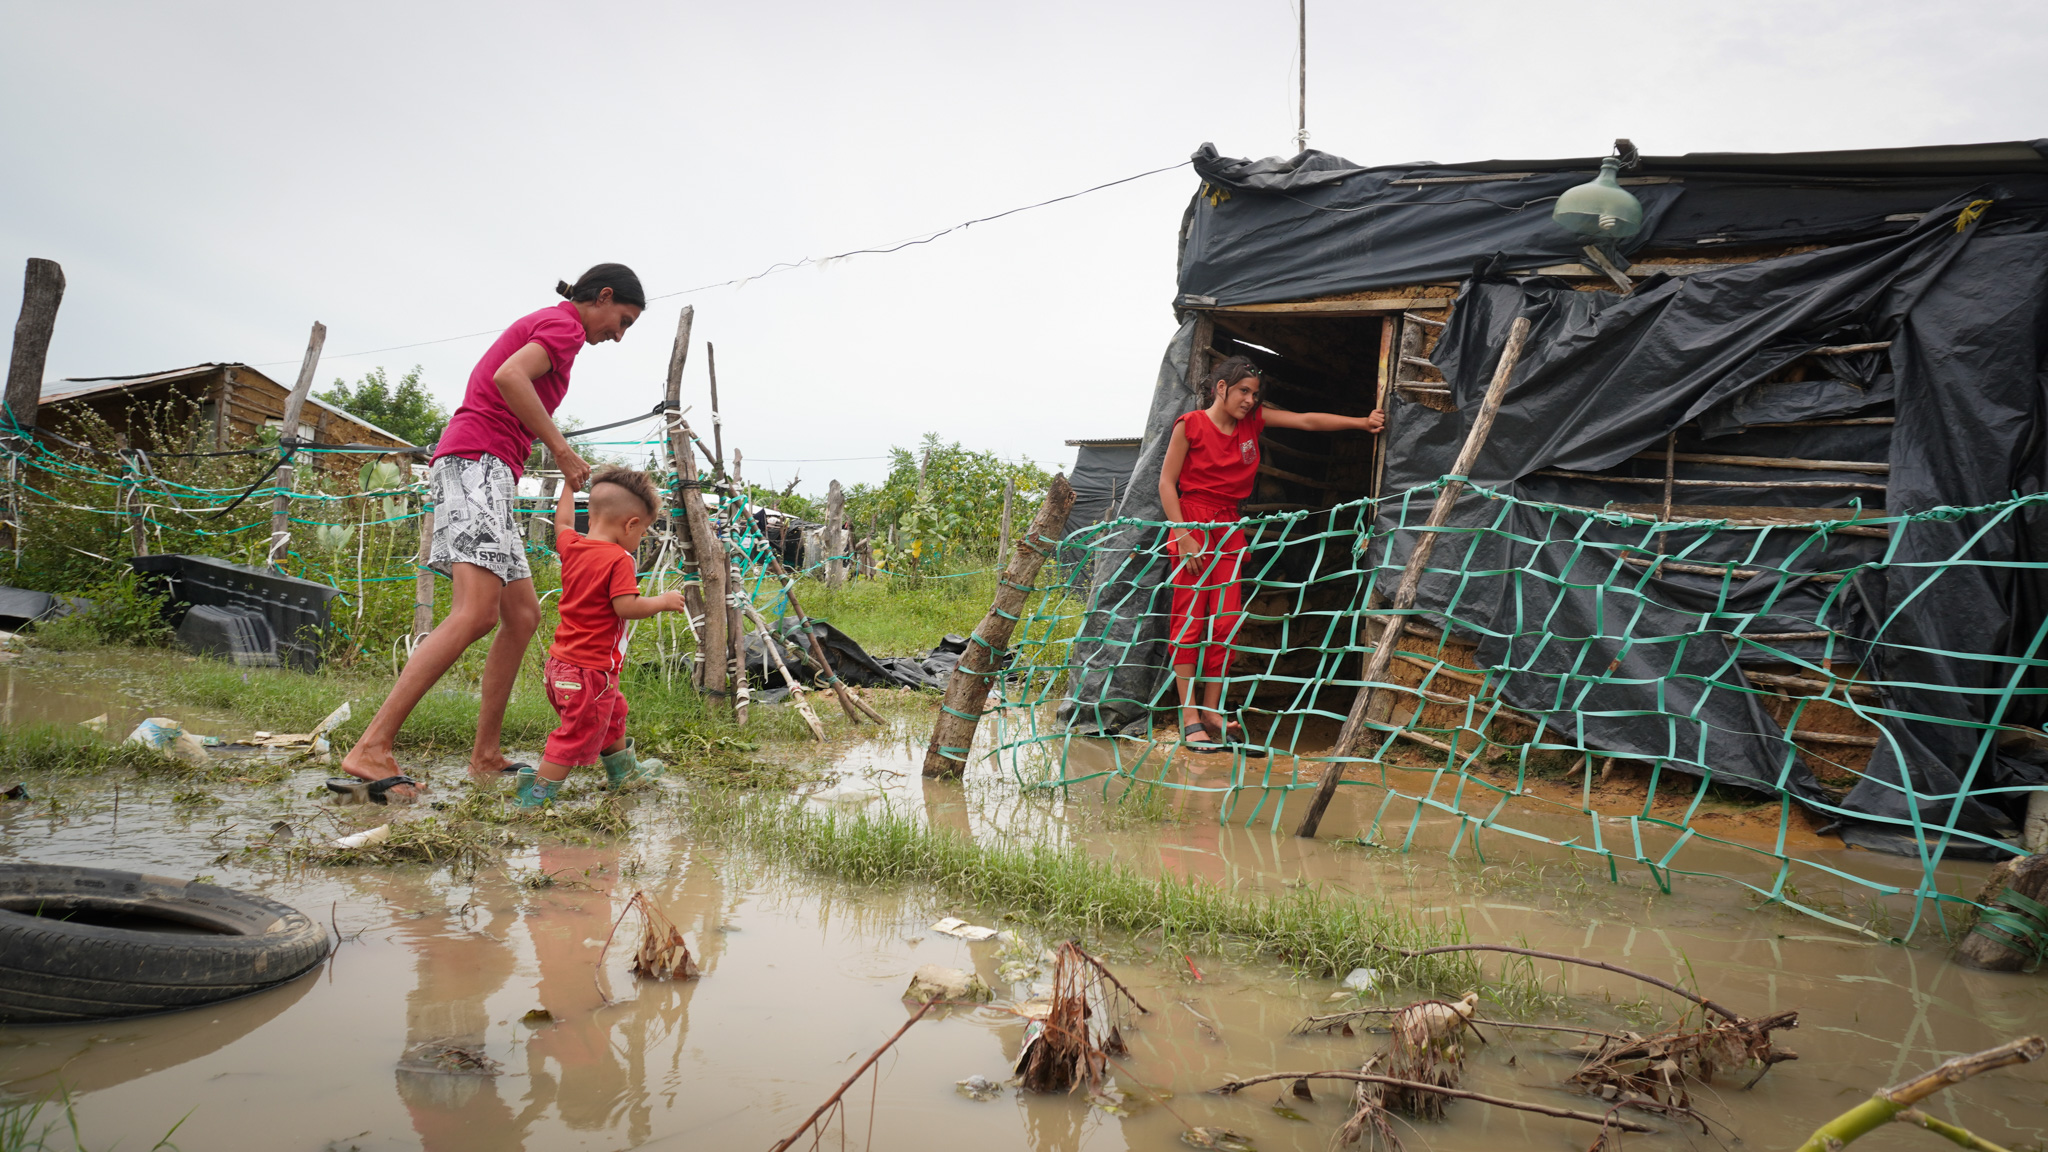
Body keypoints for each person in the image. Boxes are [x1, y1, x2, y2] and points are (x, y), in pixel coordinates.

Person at [336, 265, 645, 800]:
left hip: (492, 470)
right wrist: (564, 450)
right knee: (475, 612)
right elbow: (509, 377)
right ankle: (371, 746)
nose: (619, 335)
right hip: (475, 462)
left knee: (522, 616)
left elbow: (513, 384)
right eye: (623, 321)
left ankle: (485, 755)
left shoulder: (560, 330)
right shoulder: (565, 325)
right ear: (605, 297)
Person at [1157, 354, 1385, 754]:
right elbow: (1166, 482)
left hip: (1229, 527)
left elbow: (1306, 420)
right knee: (1190, 621)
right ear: (1221, 388)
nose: (1249, 399)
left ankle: (1212, 712)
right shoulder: (1190, 425)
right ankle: (1189, 716)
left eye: (1255, 393)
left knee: (1225, 623)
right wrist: (1182, 534)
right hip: (1193, 522)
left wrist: (1360, 423)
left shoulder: (1253, 423)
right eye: (1243, 391)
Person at [516, 465, 683, 806]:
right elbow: (626, 606)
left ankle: (623, 772)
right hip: (589, 672)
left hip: (561, 666)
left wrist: (567, 486)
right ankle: (534, 796)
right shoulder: (619, 559)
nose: (639, 541)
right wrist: (662, 602)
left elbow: (562, 522)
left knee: (613, 712)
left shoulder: (573, 545)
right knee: (574, 735)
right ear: (630, 524)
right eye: (643, 533)